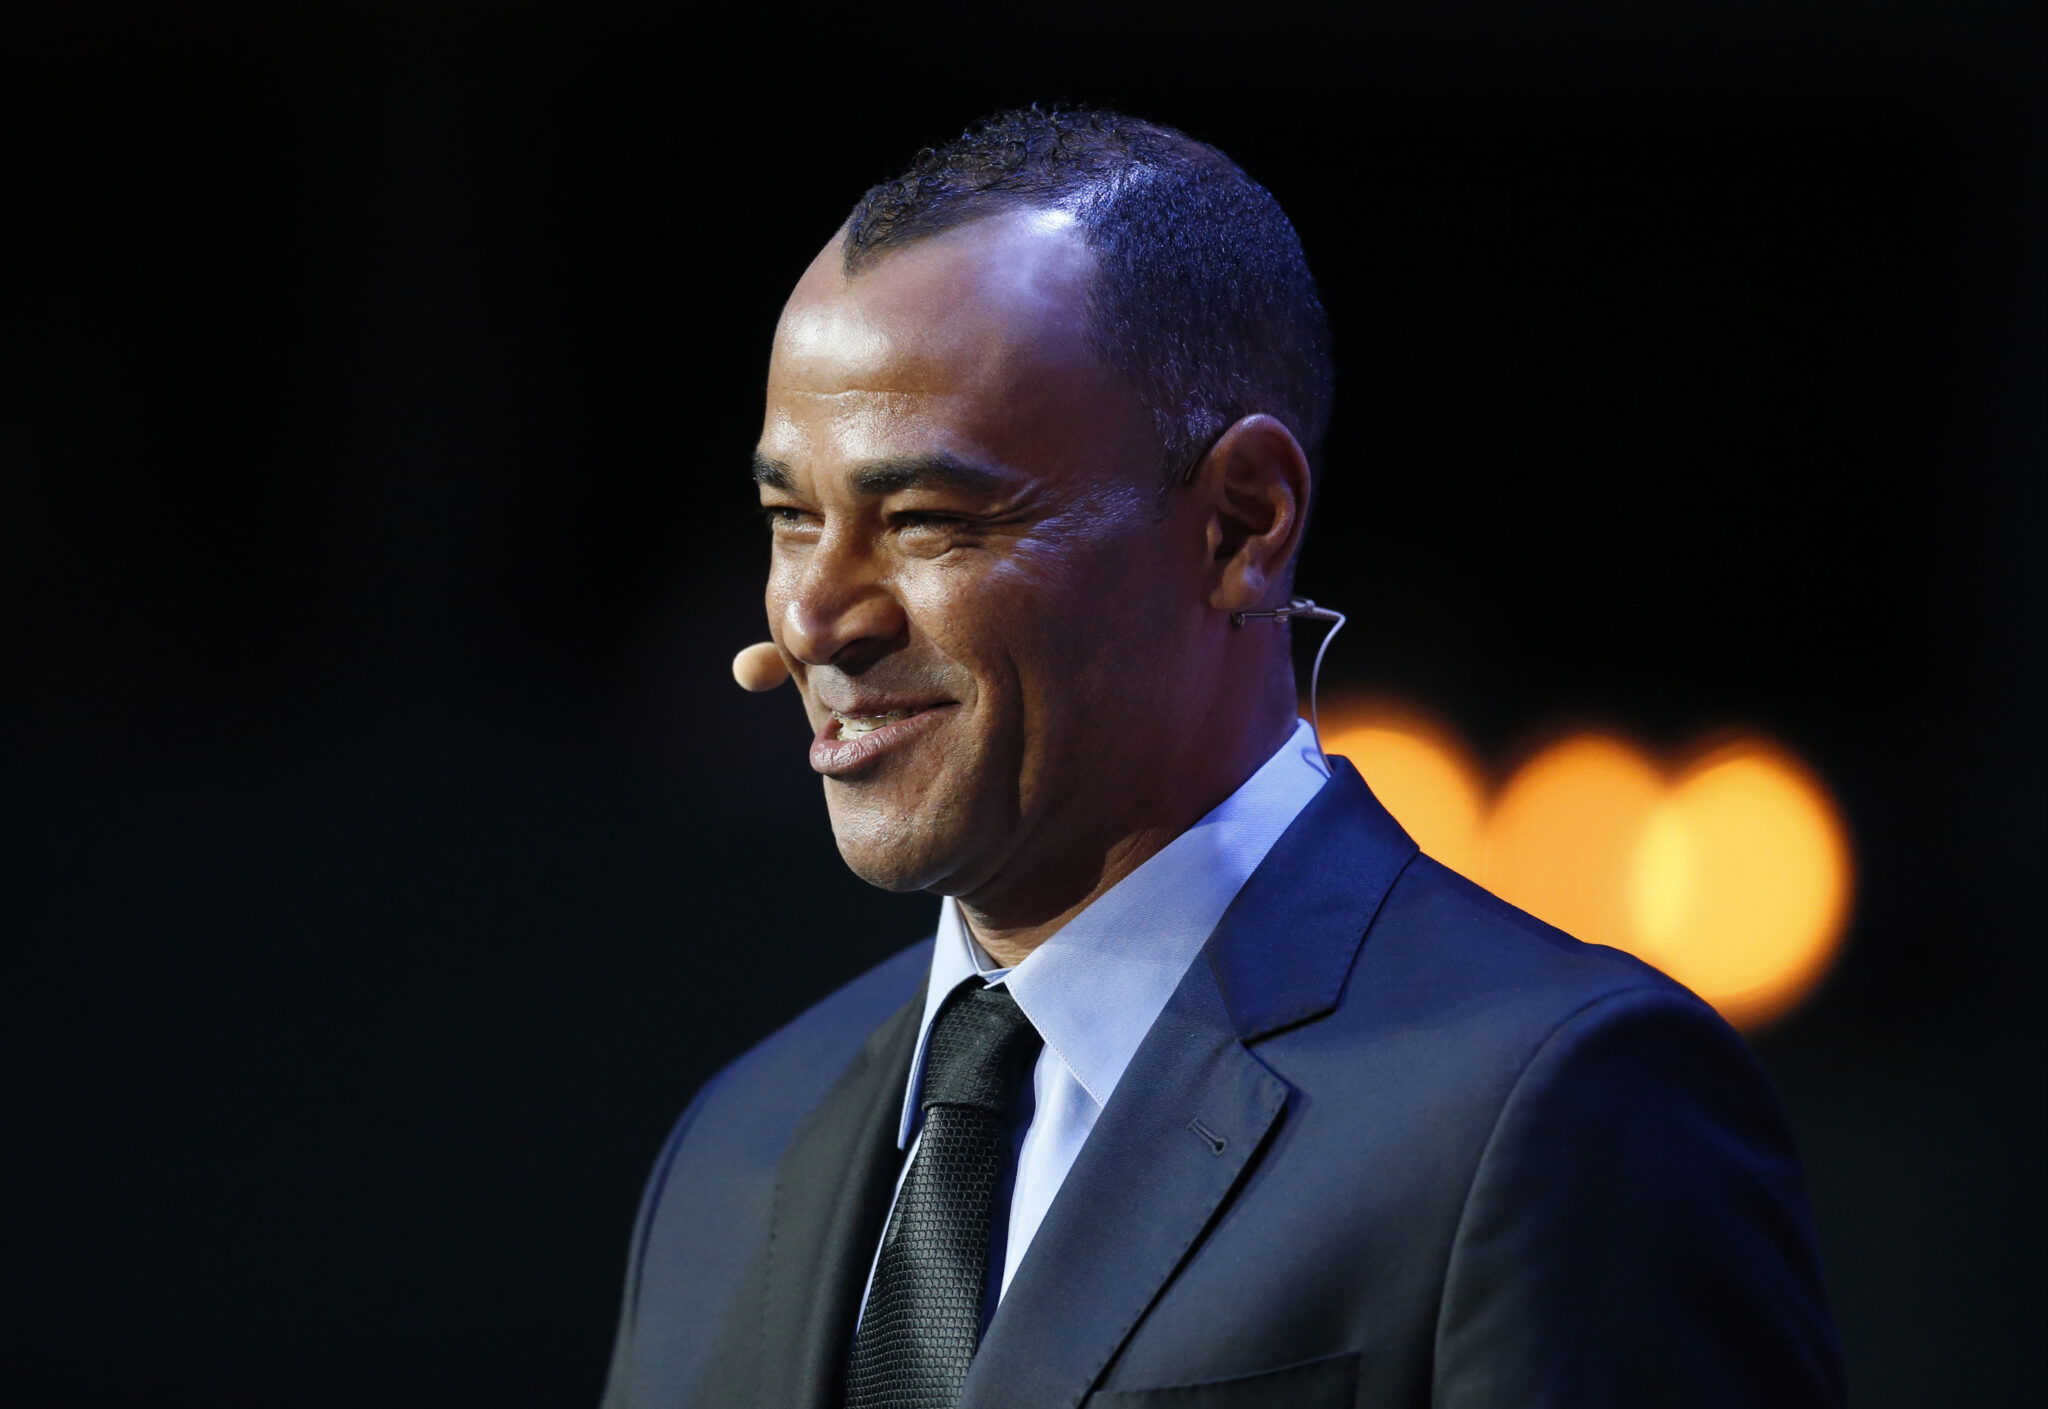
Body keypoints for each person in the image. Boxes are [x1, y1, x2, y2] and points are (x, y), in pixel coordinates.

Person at [601, 107, 1844, 1409]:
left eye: (923, 518)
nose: (813, 616)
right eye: (791, 517)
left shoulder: (1558, 1108)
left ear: (1243, 523)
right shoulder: (736, 1149)